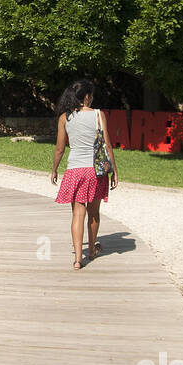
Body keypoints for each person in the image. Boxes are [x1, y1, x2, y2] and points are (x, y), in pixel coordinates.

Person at [51, 79, 117, 270]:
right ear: (87, 96)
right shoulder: (98, 115)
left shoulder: (65, 117)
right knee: (93, 212)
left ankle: (78, 258)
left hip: (74, 170)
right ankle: (92, 251)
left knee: (77, 213)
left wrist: (55, 169)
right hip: (95, 170)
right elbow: (107, 145)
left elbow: (59, 148)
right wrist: (113, 171)